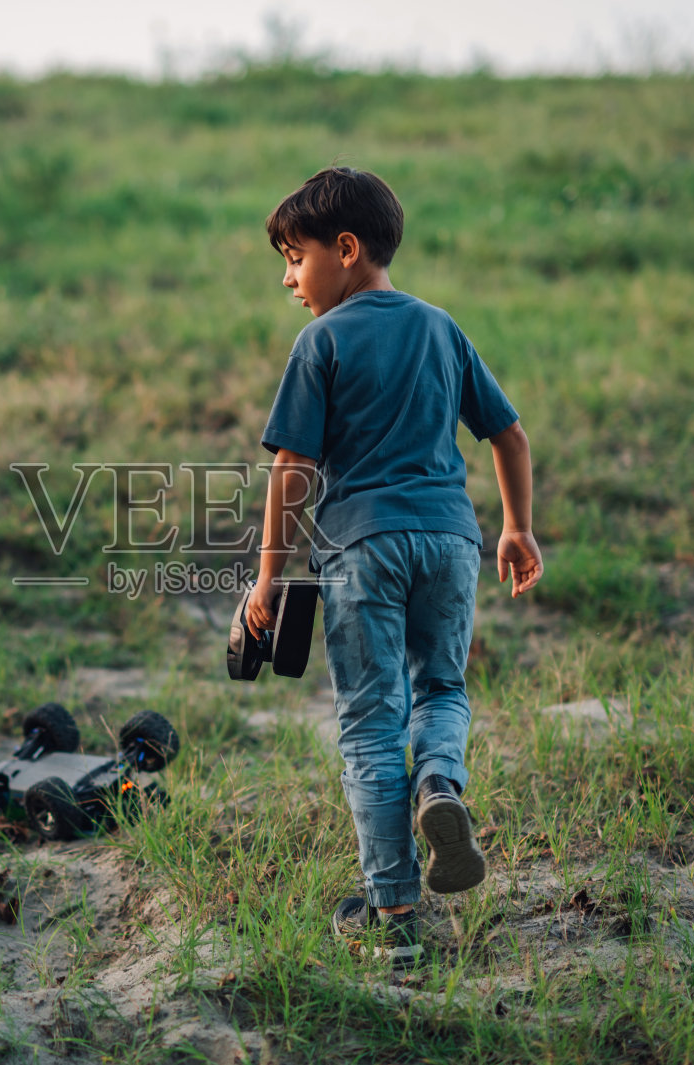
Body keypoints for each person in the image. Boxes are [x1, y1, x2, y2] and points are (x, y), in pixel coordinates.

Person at [245, 166, 543, 968]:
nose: (287, 277)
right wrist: (516, 527)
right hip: (451, 542)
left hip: (362, 549)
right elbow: (508, 435)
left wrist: (270, 575)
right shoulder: (441, 327)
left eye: (294, 257)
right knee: (441, 688)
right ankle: (440, 785)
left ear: (344, 249)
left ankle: (395, 909)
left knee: (372, 719)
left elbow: (293, 470)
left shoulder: (323, 341)